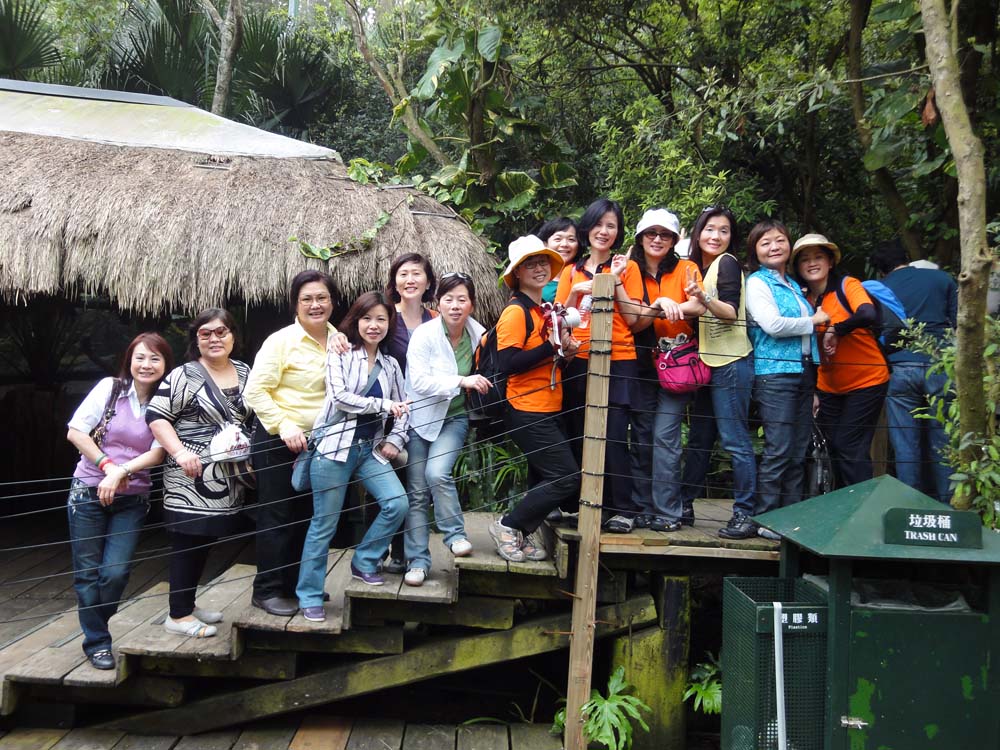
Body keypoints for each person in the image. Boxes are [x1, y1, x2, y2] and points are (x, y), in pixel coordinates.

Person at [296, 292, 410, 620]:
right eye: (367, 318)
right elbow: (340, 398)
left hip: (369, 450)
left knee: (397, 503)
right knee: (324, 525)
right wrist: (383, 405)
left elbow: (404, 408)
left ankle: (364, 561)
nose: (374, 326)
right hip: (334, 450)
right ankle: (310, 594)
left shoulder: (391, 365)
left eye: (381, 319)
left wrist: (396, 438)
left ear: (389, 324)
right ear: (356, 321)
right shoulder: (341, 353)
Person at [243, 270, 348, 617]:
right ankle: (267, 590)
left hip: (318, 443)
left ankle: (296, 586)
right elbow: (255, 391)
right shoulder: (281, 341)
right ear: (295, 304)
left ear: (333, 301)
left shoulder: (339, 340)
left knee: (306, 516)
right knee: (277, 515)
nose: (315, 305)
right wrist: (284, 425)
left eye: (322, 298)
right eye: (307, 299)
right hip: (278, 440)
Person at [65, 333, 172, 670]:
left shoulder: (166, 401)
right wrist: (108, 467)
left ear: (166, 364)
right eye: (140, 357)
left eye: (155, 358)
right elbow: (76, 432)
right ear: (129, 359)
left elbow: (159, 452)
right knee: (87, 573)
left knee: (116, 572)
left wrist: (122, 471)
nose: (146, 365)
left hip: (132, 497)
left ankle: (94, 622)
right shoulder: (110, 389)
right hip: (88, 490)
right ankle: (97, 642)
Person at [147, 309, 254, 638]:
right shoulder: (184, 375)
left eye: (221, 332)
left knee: (205, 538)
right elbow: (157, 416)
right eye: (205, 333)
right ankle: (177, 615)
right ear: (196, 340)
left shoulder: (245, 371)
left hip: (228, 474)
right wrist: (180, 452)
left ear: (233, 336)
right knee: (187, 540)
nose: (214, 339)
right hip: (189, 473)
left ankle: (187, 604)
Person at [491, 235, 581, 561]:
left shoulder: (542, 310)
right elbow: (508, 364)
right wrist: (551, 347)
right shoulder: (516, 312)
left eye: (543, 262)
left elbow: (545, 361)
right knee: (566, 476)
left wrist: (564, 352)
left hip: (548, 405)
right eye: (530, 264)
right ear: (517, 272)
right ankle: (507, 525)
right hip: (525, 407)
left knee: (545, 476)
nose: (539, 268)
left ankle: (521, 532)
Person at [737, 220, 829, 539]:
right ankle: (766, 518)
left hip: (803, 372)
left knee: (798, 449)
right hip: (774, 372)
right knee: (779, 448)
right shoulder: (757, 282)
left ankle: (789, 520)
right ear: (755, 251)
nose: (774, 247)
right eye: (765, 243)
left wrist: (813, 384)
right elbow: (772, 325)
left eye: (780, 240)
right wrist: (814, 320)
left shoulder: (791, 283)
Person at [555, 198, 642, 532]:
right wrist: (576, 292)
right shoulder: (571, 272)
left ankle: (623, 509)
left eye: (611, 226)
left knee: (615, 433)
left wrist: (615, 280)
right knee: (581, 430)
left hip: (619, 357)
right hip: (579, 357)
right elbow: (559, 320)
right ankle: (589, 505)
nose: (604, 231)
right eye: (598, 224)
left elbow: (633, 319)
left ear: (618, 232)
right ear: (587, 228)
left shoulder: (628, 268)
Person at [402, 274, 491, 586]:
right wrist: (461, 381)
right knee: (416, 493)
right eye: (448, 299)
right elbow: (419, 381)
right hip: (419, 421)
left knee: (437, 473)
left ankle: (454, 535)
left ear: (471, 304)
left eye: (462, 299)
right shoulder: (424, 335)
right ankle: (417, 561)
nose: (455, 305)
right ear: (437, 303)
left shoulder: (479, 335)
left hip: (454, 419)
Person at [677, 207, 757, 537]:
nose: (716, 236)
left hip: (731, 362)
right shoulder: (700, 268)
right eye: (710, 229)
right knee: (699, 439)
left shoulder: (727, 263)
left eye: (724, 231)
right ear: (698, 233)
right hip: (708, 365)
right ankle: (684, 505)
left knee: (735, 440)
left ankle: (745, 513)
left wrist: (704, 298)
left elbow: (730, 311)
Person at [628, 209, 706, 532]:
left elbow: (698, 304)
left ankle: (668, 511)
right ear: (640, 238)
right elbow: (634, 321)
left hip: (677, 364)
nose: (657, 239)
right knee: (642, 436)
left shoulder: (687, 268)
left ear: (674, 240)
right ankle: (642, 507)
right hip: (642, 364)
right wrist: (660, 304)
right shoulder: (630, 269)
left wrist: (665, 306)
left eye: (664, 234)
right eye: (651, 233)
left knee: (665, 437)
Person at [794, 234, 889, 489]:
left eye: (818, 257)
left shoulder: (847, 285)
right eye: (805, 259)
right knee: (831, 447)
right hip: (828, 386)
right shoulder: (802, 300)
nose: (812, 263)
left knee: (850, 444)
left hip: (867, 380)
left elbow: (867, 313)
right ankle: (841, 503)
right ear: (798, 267)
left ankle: (863, 503)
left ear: (830, 262)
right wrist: (813, 390)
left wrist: (837, 329)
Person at [872, 239, 958, 503]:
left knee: (905, 444)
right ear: (906, 258)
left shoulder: (880, 288)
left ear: (880, 270)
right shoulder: (942, 279)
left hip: (900, 367)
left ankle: (911, 506)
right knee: (943, 439)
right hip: (940, 365)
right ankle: (949, 506)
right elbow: (958, 323)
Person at [382, 253, 438, 574]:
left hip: (428, 412)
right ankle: (383, 550)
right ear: (395, 282)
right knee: (388, 482)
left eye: (416, 273)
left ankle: (406, 552)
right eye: (403, 274)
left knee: (418, 486)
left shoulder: (437, 319)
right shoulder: (386, 317)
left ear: (428, 281)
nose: (410, 280)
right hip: (391, 412)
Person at [538, 217, 581, 303]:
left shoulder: (584, 274)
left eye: (571, 239)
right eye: (558, 239)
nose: (564, 244)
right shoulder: (534, 276)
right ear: (545, 244)